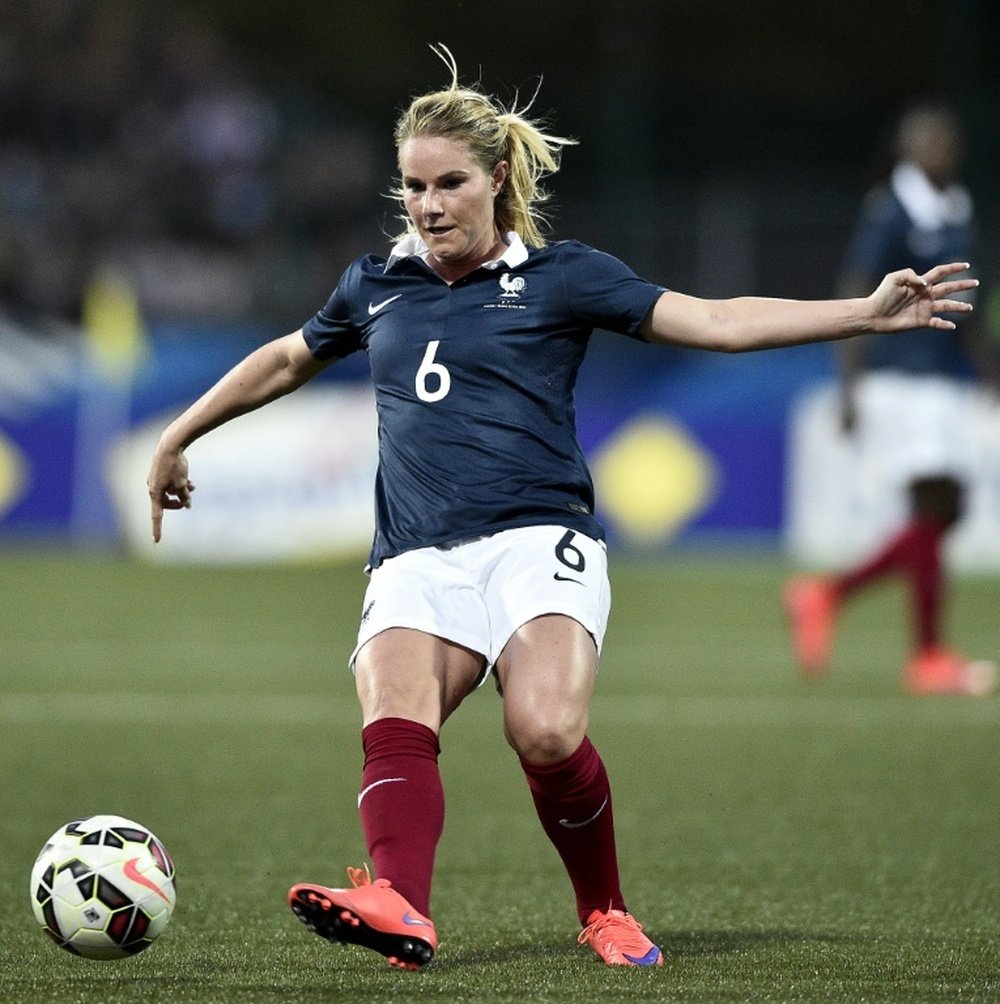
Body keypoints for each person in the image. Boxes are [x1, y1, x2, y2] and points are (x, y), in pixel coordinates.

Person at [146, 48, 977, 971]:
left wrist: (860, 313)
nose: (428, 206)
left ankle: (605, 909)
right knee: (395, 710)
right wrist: (180, 432)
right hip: (415, 551)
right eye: (413, 186)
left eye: (450, 183)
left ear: (497, 177)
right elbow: (288, 358)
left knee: (544, 728)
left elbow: (714, 319)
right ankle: (398, 903)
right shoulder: (377, 284)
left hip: (539, 542)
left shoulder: (563, 276)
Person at [783, 101, 999, 697]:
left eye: (947, 141)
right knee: (936, 505)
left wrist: (987, 367)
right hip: (899, 378)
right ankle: (926, 655)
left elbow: (968, 300)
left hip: (943, 377)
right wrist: (848, 386)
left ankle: (825, 595)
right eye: (930, 141)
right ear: (908, 148)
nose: (942, 150)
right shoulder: (893, 208)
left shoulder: (956, 207)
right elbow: (857, 291)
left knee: (943, 512)